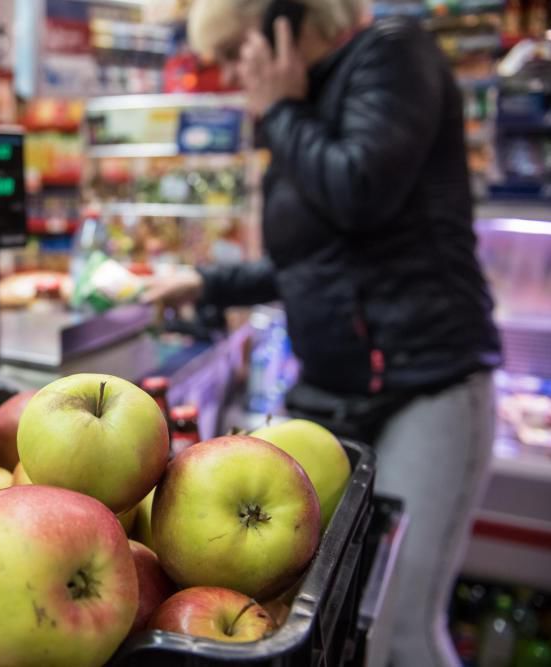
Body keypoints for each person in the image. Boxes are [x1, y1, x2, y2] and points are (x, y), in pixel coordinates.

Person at [145, 0, 503, 665]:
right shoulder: (305, 102)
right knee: (336, 626)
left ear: (284, 23)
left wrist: (280, 111)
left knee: (399, 627)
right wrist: (209, 284)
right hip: (335, 387)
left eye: (232, 53)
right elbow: (312, 260)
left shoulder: (394, 55)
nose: (230, 75)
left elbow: (360, 190)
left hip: (426, 382)